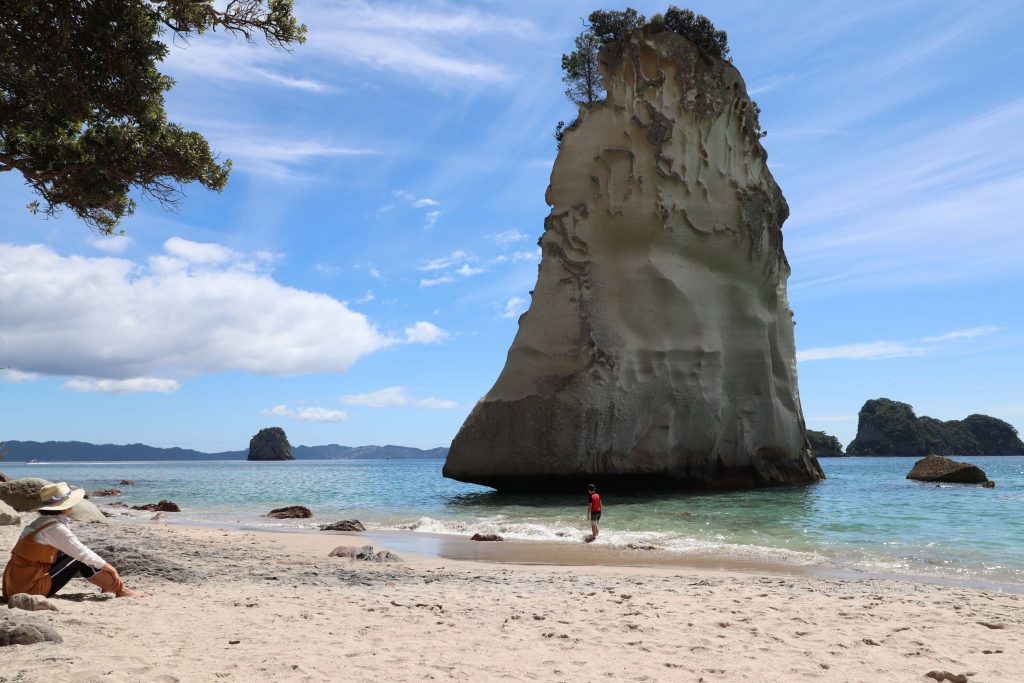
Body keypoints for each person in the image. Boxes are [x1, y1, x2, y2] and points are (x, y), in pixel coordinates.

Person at [2, 482, 144, 600]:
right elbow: (82, 553)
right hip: (28, 589)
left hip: (14, 584)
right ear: (65, 506)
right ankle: (120, 589)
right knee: (80, 559)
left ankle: (109, 587)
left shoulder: (41, 523)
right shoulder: (54, 528)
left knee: (70, 556)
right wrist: (109, 568)